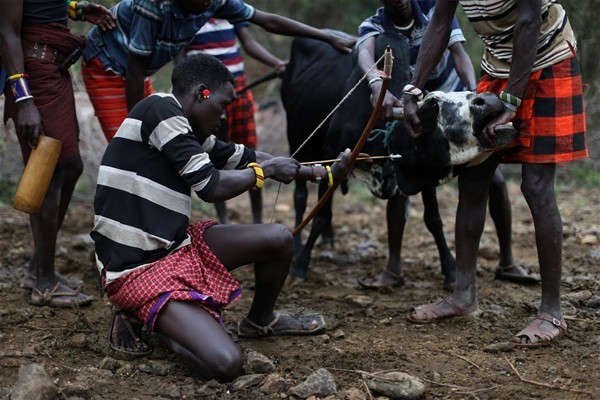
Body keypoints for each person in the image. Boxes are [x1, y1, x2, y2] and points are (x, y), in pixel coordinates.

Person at [91, 54, 352, 379]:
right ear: (202, 92)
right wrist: (266, 171)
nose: (225, 115)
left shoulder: (188, 130)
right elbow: (210, 186)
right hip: (137, 271)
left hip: (176, 249)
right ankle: (149, 320)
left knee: (279, 238)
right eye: (223, 104)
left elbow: (243, 157)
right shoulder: (160, 110)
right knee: (226, 364)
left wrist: (323, 173)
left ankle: (260, 321)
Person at [403, 0, 588, 346]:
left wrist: (512, 104)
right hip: (499, 67)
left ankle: (551, 312)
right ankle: (463, 296)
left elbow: (530, 21)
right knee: (473, 177)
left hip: (549, 61)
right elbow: (441, 22)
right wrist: (414, 88)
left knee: (535, 186)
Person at [355, 0, 536, 289]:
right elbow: (364, 54)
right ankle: (393, 268)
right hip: (412, 112)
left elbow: (459, 53)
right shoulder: (373, 26)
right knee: (400, 179)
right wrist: (377, 84)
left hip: (452, 108)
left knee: (494, 180)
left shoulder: (432, 10)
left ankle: (507, 261)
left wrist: (472, 96)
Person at [81, 0, 354, 142]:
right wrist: (136, 125)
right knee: (128, 141)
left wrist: (325, 37)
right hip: (107, 65)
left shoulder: (212, 1)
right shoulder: (152, 6)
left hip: (139, 72)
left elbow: (267, 21)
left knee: (154, 140)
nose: (208, 3)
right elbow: (135, 67)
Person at [0, 0, 115, 307]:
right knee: (50, 170)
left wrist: (76, 10)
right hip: (33, 75)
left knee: (71, 166)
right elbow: (7, 29)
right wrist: (24, 100)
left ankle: (38, 268)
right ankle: (44, 281)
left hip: (54, 69)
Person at [182, 18, 287, 224]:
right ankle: (223, 219)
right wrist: (200, 95)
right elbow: (181, 60)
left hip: (237, 87)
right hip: (206, 93)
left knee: (249, 151)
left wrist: (277, 63)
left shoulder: (229, 9)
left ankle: (257, 219)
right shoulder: (187, 14)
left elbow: (249, 43)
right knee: (213, 153)